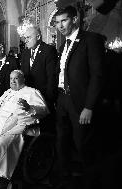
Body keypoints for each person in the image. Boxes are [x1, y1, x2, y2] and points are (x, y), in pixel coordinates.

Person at [54, 5, 105, 183]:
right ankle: (65, 178)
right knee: (62, 143)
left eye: (64, 20)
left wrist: (89, 106)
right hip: (62, 101)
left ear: (75, 19)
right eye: (57, 22)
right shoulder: (62, 46)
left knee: (83, 146)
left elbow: (97, 76)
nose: (60, 26)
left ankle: (92, 182)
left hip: (81, 103)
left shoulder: (91, 40)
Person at [20, 24, 58, 133]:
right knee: (29, 132)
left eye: (28, 37)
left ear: (38, 37)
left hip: (43, 100)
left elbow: (52, 78)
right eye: (25, 38)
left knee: (45, 132)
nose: (25, 40)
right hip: (28, 99)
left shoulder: (48, 50)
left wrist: (48, 101)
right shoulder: (25, 53)